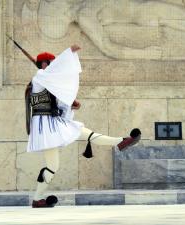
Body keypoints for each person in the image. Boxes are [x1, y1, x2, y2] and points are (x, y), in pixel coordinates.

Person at [26, 45, 141, 208]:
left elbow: (58, 103)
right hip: (45, 128)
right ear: (44, 64)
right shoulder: (39, 76)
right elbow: (54, 77)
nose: (55, 66)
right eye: (52, 63)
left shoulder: (48, 81)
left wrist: (70, 105)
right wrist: (69, 53)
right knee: (53, 166)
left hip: (56, 123)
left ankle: (122, 141)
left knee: (87, 133)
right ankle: (37, 199)